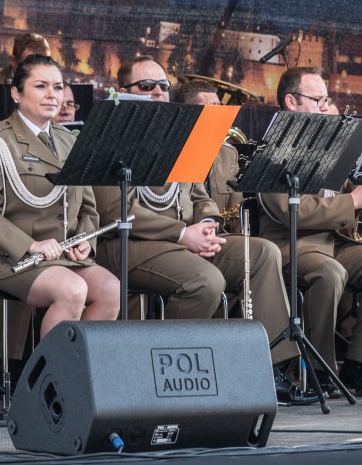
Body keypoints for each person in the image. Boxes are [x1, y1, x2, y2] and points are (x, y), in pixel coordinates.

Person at [93, 58, 313, 405]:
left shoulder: (177, 138)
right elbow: (114, 212)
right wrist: (183, 234)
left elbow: (198, 196)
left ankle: (268, 370)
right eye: (146, 87)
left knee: (261, 252)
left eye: (163, 86)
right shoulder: (111, 137)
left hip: (183, 241)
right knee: (205, 281)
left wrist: (207, 224)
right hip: (129, 243)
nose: (157, 93)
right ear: (125, 92)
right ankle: (167, 377)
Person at [257, 67, 362, 397]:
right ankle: (322, 371)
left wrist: (357, 186)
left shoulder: (329, 144)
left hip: (331, 241)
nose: (325, 105)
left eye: (327, 98)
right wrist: (352, 200)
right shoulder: (273, 144)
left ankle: (358, 365)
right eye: (318, 99)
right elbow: (286, 210)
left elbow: (333, 196)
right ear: (292, 102)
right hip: (291, 243)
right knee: (330, 272)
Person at [0, 55, 120, 339]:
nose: (52, 95)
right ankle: (49, 381)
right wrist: (31, 245)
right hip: (8, 258)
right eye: (41, 86)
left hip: (63, 256)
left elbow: (88, 207)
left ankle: (77, 374)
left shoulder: (69, 139)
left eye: (58, 88)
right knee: (72, 290)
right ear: (16, 93)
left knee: (111, 290)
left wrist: (86, 240)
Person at [0, 33, 50, 115]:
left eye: (43, 65)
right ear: (13, 61)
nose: (36, 72)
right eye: (29, 65)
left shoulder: (55, 86)